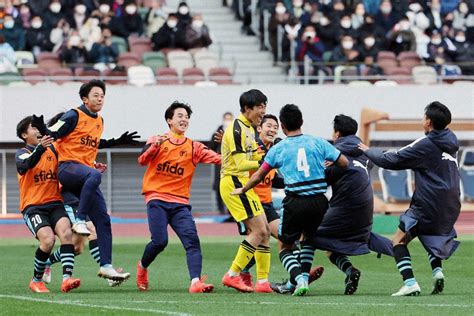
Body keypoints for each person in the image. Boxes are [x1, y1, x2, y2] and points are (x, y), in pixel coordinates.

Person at [232, 104, 349, 296]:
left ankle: (299, 278)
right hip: (320, 201)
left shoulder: (279, 148)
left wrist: (243, 188)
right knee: (307, 240)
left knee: (284, 246)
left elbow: (259, 175)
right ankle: (296, 277)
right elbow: (343, 162)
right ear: (301, 122)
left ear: (283, 127)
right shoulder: (318, 142)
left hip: (295, 202)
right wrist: (323, 170)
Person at [30, 80, 139, 282]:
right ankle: (79, 221)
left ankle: (106, 267)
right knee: (94, 176)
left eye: (102, 95)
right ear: (84, 99)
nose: (100, 98)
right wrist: (41, 126)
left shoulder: (99, 121)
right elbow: (52, 133)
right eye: (96, 95)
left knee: (103, 221)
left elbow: (94, 144)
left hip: (85, 174)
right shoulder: (73, 115)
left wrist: (117, 141)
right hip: (68, 170)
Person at [358, 101, 461, 296]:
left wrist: (367, 150)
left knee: (398, 240)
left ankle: (410, 282)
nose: (422, 121)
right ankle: (437, 272)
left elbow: (393, 159)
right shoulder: (451, 139)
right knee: (428, 233)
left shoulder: (426, 143)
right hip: (452, 202)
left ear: (428, 121)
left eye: (423, 117)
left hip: (429, 201)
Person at [136, 101, 219, 294]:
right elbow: (142, 160)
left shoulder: (194, 147)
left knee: (192, 241)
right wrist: (154, 147)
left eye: (187, 117)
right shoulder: (158, 139)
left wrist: (237, 153)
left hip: (180, 203)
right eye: (180, 116)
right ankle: (142, 267)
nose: (184, 119)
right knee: (159, 242)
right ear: (169, 120)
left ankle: (195, 282)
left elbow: (218, 159)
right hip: (156, 199)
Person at [15, 116, 80, 293]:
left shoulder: (53, 150)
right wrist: (40, 148)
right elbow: (25, 165)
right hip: (33, 207)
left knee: (67, 235)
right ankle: (36, 280)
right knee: (48, 240)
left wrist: (91, 168)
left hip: (55, 203)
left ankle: (66, 279)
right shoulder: (22, 153)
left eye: (39, 127)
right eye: (33, 128)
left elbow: (69, 166)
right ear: (24, 134)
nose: (38, 130)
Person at [220, 89, 272, 293]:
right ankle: (232, 275)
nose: (263, 111)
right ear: (247, 108)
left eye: (264, 106)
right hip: (234, 183)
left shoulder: (249, 127)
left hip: (244, 184)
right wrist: (265, 161)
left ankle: (263, 282)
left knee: (265, 232)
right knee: (258, 231)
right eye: (260, 107)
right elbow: (240, 163)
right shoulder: (237, 129)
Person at [209, 112, 234, 215]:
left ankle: (230, 211)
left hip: (233, 165)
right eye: (226, 119)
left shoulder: (235, 132)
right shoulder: (217, 133)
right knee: (219, 186)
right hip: (220, 164)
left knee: (231, 187)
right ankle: (221, 210)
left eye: (230, 119)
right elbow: (211, 147)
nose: (228, 121)